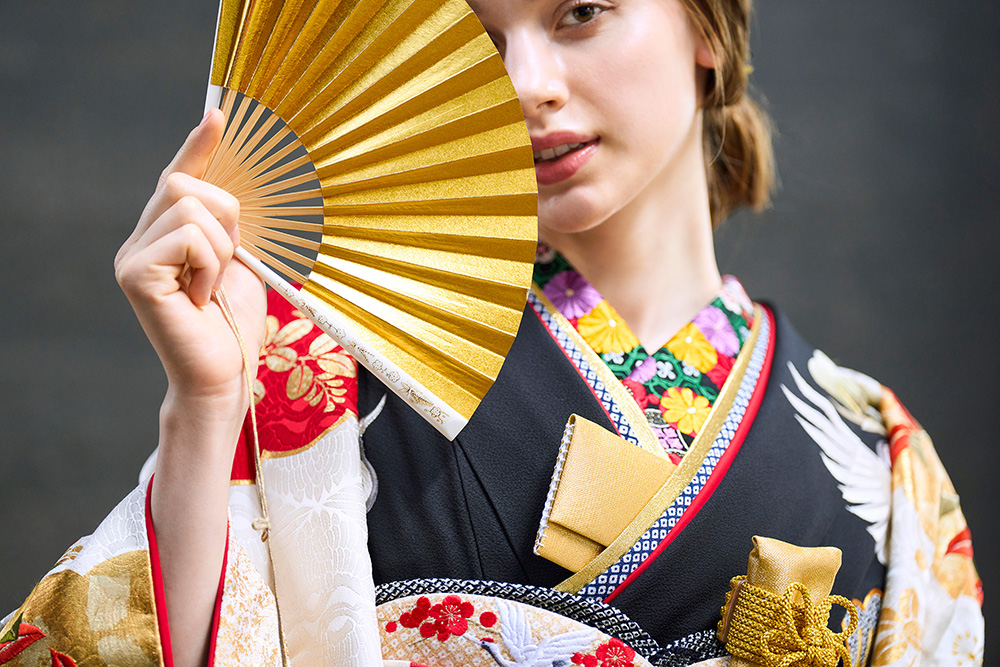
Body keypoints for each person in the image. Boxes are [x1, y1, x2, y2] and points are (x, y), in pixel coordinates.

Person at [1, 0, 983, 665]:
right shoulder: (323, 367)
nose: (525, 83)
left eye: (580, 12)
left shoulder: (877, 449)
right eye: (477, 36)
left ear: (706, 26)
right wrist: (203, 409)